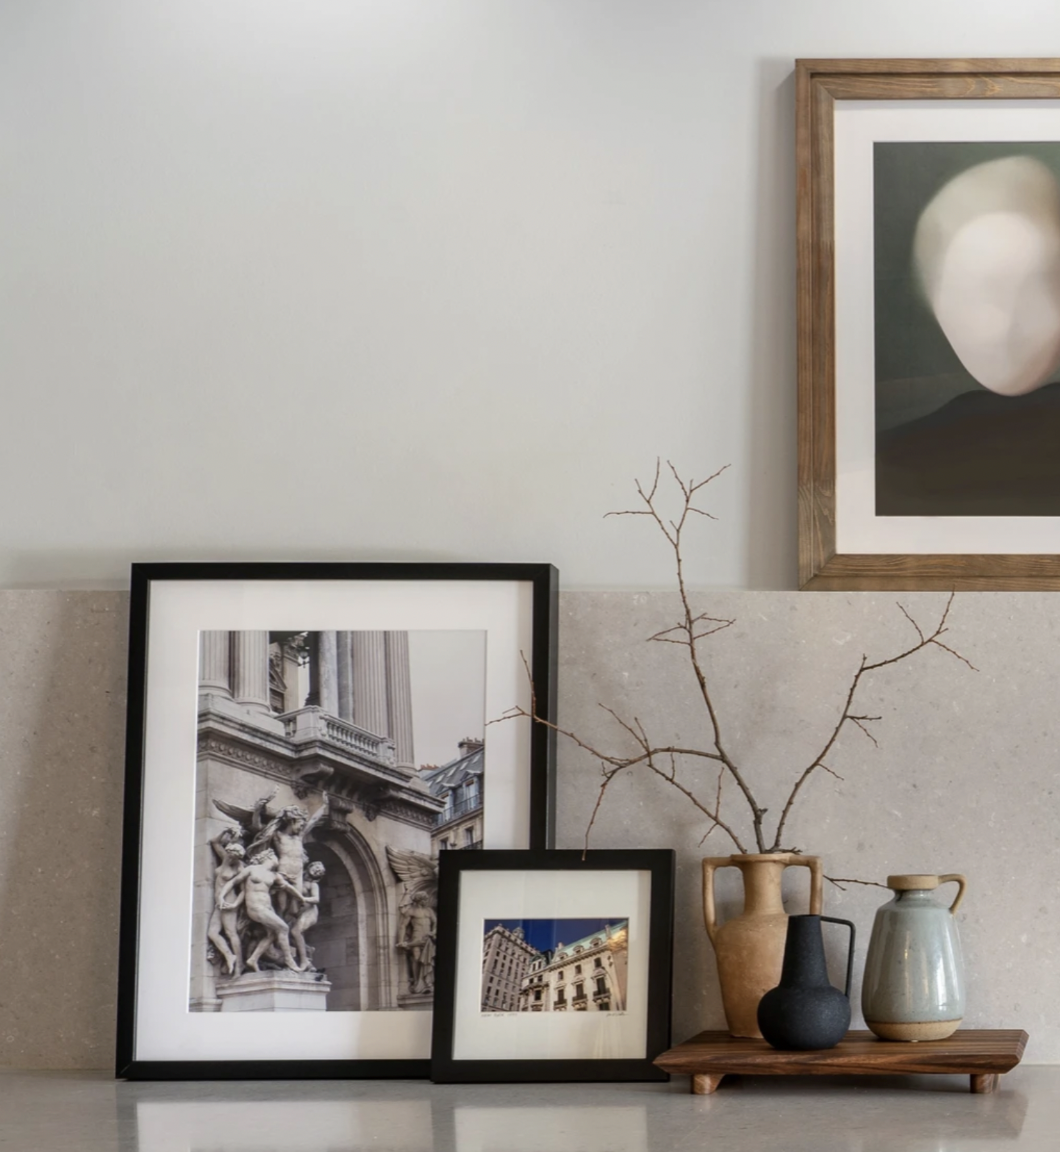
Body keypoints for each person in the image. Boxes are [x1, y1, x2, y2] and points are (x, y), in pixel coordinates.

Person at [218, 850, 305, 972]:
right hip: (256, 907)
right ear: (268, 857)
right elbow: (233, 882)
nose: (277, 860)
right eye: (275, 857)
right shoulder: (252, 869)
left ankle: (253, 959)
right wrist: (221, 896)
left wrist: (302, 898)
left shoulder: (274, 875)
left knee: (272, 934)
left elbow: (289, 888)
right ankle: (288, 959)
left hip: (268, 908)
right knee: (283, 928)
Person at [206, 830, 246, 976]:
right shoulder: (225, 859)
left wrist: (235, 904)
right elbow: (214, 842)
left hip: (229, 902)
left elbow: (244, 890)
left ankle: (239, 965)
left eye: (234, 857)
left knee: (231, 933)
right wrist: (224, 832)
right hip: (219, 903)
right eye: (230, 855)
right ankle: (229, 955)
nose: (231, 858)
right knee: (212, 933)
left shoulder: (239, 867)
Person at [396, 891, 437, 994]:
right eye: (424, 900)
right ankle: (417, 982)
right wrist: (401, 941)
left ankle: (428, 982)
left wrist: (433, 932)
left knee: (428, 959)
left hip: (428, 938)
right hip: (416, 937)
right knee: (416, 958)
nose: (426, 901)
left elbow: (436, 922)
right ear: (419, 900)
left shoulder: (429, 911)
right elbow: (403, 926)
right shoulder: (411, 911)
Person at [290, 861, 325, 972]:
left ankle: (304, 960)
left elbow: (316, 899)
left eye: (319, 871)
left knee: (296, 931)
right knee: (290, 935)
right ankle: (307, 952)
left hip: (310, 912)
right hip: (299, 913)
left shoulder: (313, 885)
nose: (316, 871)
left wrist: (303, 899)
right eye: (316, 868)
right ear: (311, 866)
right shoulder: (300, 879)